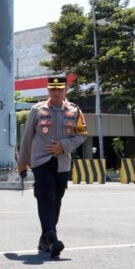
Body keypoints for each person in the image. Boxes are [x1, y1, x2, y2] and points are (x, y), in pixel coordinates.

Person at [17, 76, 88, 258]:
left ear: (66, 90)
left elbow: (82, 135)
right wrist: (22, 162)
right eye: (52, 89)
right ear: (48, 90)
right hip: (41, 161)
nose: (56, 92)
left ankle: (44, 240)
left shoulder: (75, 111)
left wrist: (63, 146)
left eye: (59, 89)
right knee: (45, 197)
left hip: (62, 163)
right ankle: (52, 237)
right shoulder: (37, 110)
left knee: (56, 200)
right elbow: (27, 138)